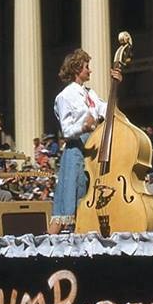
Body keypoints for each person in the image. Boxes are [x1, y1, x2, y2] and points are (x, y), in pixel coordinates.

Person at [49, 49, 123, 234]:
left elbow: (107, 111)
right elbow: (66, 130)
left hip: (94, 148)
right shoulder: (65, 96)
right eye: (86, 67)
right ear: (76, 69)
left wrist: (116, 85)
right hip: (77, 151)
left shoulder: (90, 93)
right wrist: (83, 126)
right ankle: (48, 245)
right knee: (70, 199)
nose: (90, 71)